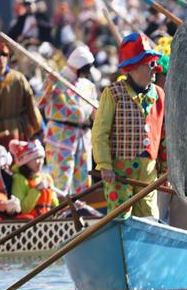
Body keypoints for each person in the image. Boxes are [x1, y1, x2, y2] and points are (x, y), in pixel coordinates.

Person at [92, 33, 166, 217]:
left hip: (148, 172)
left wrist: (166, 170)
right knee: (121, 218)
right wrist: (104, 165)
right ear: (134, 67)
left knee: (150, 217)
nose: (155, 68)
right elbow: (100, 133)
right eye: (149, 63)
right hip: (118, 173)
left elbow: (165, 136)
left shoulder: (159, 95)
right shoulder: (113, 94)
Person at [41, 45, 97, 196]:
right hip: (61, 137)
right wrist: (49, 85)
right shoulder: (56, 80)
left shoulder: (88, 85)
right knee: (61, 179)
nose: (88, 72)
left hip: (83, 136)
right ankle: (59, 212)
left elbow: (94, 112)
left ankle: (80, 212)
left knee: (83, 180)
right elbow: (39, 102)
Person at [9, 139, 58, 217]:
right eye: (36, 158)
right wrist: (36, 190)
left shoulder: (47, 178)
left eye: (41, 158)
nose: (40, 162)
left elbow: (55, 207)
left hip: (47, 222)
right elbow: (22, 208)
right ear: (25, 161)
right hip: (28, 224)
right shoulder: (20, 179)